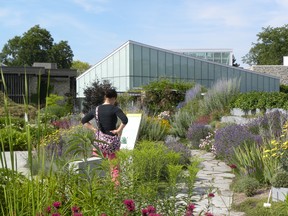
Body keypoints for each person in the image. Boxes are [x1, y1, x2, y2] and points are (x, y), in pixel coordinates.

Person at [81, 88, 128, 159]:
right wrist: (118, 130)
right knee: (114, 166)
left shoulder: (96, 109)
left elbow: (84, 120)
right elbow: (125, 120)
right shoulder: (115, 109)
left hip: (99, 141)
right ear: (114, 98)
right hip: (112, 142)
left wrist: (94, 129)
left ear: (105, 97)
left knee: (97, 164)